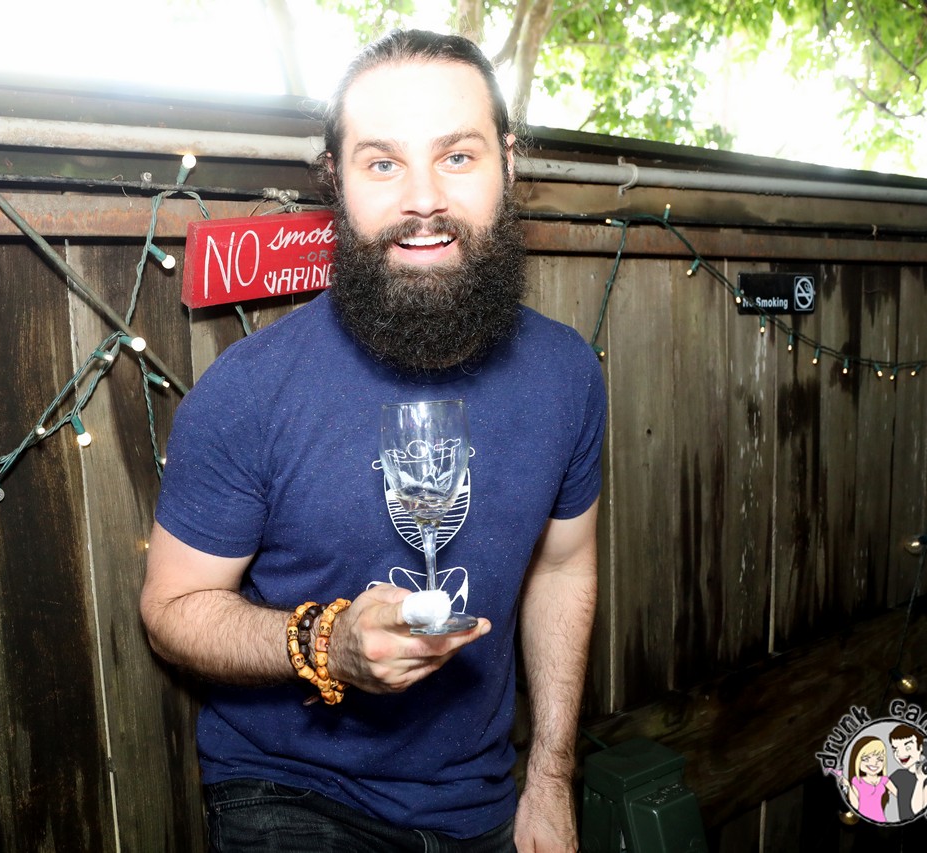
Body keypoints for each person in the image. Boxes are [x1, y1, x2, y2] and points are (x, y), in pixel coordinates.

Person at [140, 29, 605, 853]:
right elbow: (171, 611)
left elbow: (564, 568)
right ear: (337, 181)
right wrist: (325, 642)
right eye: (383, 162)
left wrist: (550, 775)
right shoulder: (249, 389)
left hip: (479, 796)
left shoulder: (567, 374)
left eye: (456, 156)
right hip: (293, 791)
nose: (423, 199)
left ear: (506, 163)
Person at [889, 724, 927, 820]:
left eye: (908, 747)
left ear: (920, 747)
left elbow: (918, 810)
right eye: (895, 749)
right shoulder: (898, 775)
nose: (900, 754)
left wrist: (920, 780)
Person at [846, 736, 897, 823]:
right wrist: (847, 785)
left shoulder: (884, 780)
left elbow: (900, 795)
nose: (874, 763)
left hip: (880, 820)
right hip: (862, 821)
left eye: (880, 759)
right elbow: (855, 806)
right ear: (857, 760)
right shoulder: (857, 781)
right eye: (866, 759)